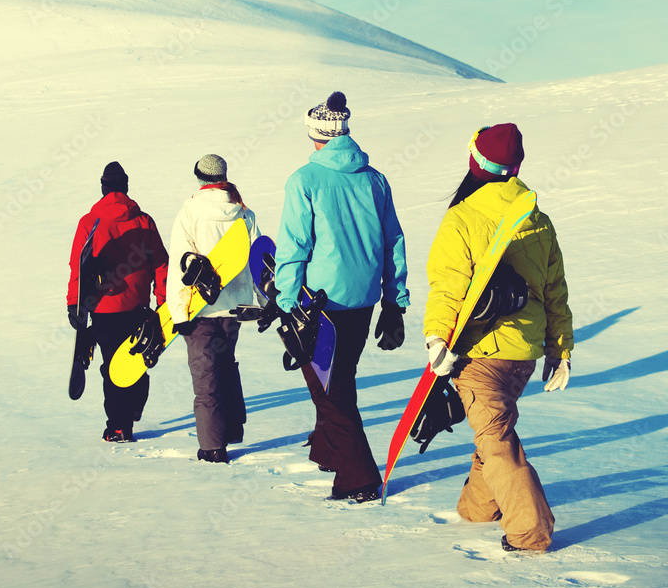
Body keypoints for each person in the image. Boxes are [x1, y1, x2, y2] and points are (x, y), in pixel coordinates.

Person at [423, 123, 572, 552]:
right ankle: (478, 507)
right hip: (523, 353)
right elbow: (555, 290)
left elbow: (448, 284)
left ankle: (529, 531)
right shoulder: (537, 220)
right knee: (492, 427)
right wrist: (558, 350)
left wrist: (437, 337)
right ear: (516, 166)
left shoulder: (463, 217)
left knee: (497, 439)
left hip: (480, 351)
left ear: (474, 162)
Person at [274, 92, 409, 502]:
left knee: (330, 393)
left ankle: (359, 478)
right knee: (338, 379)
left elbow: (294, 245)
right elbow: (392, 242)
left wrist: (284, 300)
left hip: (320, 304)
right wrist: (393, 301)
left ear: (316, 136)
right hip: (364, 300)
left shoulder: (304, 180)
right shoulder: (374, 179)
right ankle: (327, 450)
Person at [67, 162, 169, 442]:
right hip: (138, 305)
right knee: (136, 361)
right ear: (125, 187)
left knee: (112, 367)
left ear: (103, 188)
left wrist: (73, 304)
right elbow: (161, 263)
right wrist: (163, 301)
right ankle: (133, 406)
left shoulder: (89, 223)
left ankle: (119, 427)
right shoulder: (144, 220)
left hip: (104, 308)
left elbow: (78, 266)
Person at [167, 154, 258, 464]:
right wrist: (262, 303)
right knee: (226, 365)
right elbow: (258, 262)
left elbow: (182, 262)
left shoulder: (190, 212)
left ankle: (212, 448)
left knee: (206, 380)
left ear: (199, 178)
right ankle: (231, 429)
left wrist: (178, 312)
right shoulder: (244, 213)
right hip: (235, 310)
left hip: (201, 310)